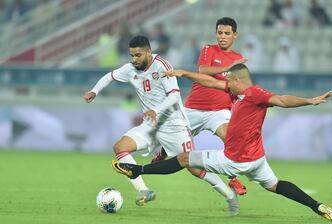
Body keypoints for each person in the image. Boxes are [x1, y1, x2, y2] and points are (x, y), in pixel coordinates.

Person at [112, 64, 332, 222]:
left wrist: (310, 101)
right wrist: (184, 73)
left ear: (237, 80)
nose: (226, 84)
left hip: (234, 160)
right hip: (257, 159)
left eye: (229, 80)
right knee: (275, 185)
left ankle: (137, 170)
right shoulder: (238, 94)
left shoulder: (254, 94)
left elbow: (281, 100)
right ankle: (318, 206)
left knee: (184, 159)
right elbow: (210, 82)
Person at [84, 36, 239, 213]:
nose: (134, 59)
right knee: (120, 147)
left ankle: (229, 195)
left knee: (194, 169)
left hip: (174, 125)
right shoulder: (130, 69)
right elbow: (109, 76)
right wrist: (94, 91)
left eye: (138, 55)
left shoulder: (163, 66)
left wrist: (156, 110)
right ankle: (144, 190)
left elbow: (174, 96)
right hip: (150, 125)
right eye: (131, 55)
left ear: (149, 52)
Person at [152, 17, 248, 196]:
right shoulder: (209, 49)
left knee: (229, 139)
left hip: (219, 112)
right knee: (177, 140)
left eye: (227, 33)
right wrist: (228, 67)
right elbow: (203, 70)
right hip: (194, 109)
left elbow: (236, 87)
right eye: (220, 33)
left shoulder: (238, 60)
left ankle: (232, 178)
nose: (222, 36)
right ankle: (162, 154)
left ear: (235, 35)